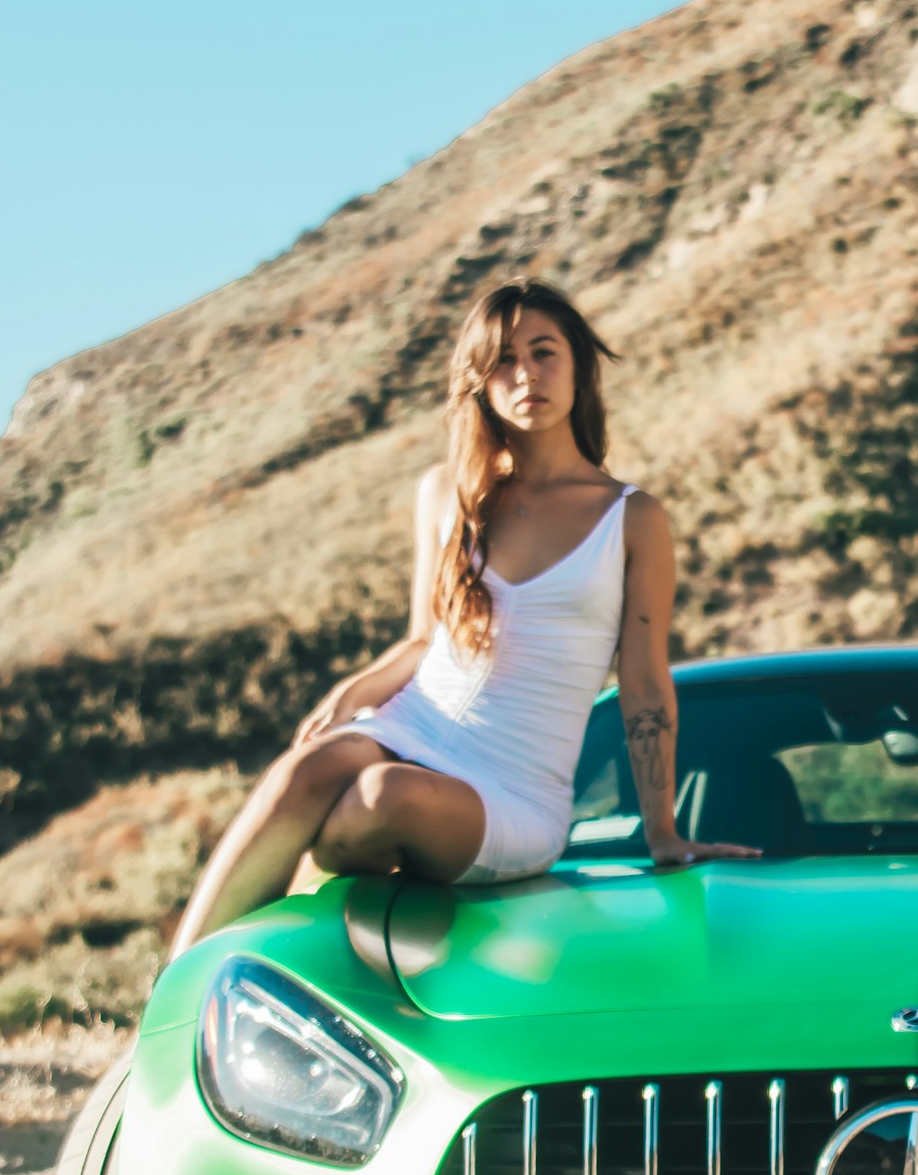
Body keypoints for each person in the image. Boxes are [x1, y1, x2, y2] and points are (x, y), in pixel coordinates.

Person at [172, 278, 756, 952]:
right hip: (415, 721)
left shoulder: (631, 517)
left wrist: (663, 834)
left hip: (511, 789)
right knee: (301, 771)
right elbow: (425, 638)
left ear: (578, 369)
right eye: (504, 360)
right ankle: (171, 998)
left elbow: (646, 684)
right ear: (479, 381)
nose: (526, 374)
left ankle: (269, 965)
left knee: (375, 801)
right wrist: (356, 691)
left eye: (544, 353)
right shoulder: (447, 493)